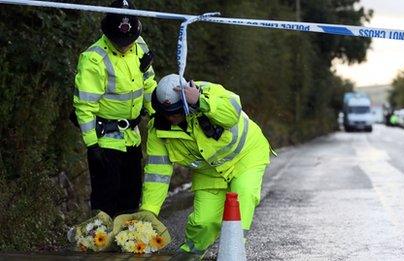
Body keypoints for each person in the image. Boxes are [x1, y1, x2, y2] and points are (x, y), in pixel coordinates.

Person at [140, 74, 271, 259]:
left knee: (243, 196)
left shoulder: (207, 91)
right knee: (204, 222)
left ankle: (233, 252)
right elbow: (157, 172)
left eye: (176, 111)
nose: (172, 117)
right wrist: (149, 209)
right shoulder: (158, 131)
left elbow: (232, 112)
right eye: (167, 113)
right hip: (209, 172)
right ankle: (192, 253)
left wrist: (201, 101)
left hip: (245, 157)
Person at [73, 0, 156, 217]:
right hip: (105, 142)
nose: (124, 44)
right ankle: (102, 246)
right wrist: (92, 145)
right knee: (106, 204)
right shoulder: (94, 58)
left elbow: (148, 84)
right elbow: (85, 104)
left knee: (131, 200)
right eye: (119, 41)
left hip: (133, 137)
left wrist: (157, 114)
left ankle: (125, 247)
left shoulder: (139, 46)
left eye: (128, 40)